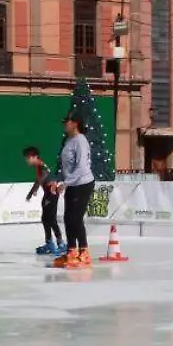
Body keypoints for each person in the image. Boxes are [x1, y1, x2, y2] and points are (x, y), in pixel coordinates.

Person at [53, 115, 94, 268]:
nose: (64, 125)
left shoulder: (80, 141)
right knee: (68, 217)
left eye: (67, 122)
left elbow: (82, 167)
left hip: (83, 184)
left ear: (75, 124)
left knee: (76, 218)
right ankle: (72, 251)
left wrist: (66, 183)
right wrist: (58, 180)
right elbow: (66, 167)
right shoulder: (69, 141)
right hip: (72, 184)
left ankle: (84, 252)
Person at [24, 145, 62, 256]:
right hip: (48, 194)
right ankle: (49, 243)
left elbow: (43, 176)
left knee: (51, 219)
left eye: (28, 158)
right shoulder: (38, 166)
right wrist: (32, 192)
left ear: (35, 157)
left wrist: (34, 190)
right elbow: (38, 180)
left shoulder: (41, 165)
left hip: (52, 194)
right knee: (45, 219)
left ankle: (60, 243)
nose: (27, 161)